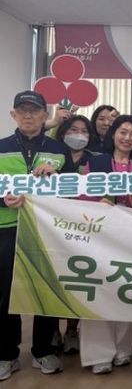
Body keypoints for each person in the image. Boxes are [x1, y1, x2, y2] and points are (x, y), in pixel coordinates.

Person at [0, 91, 74, 381]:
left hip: (47, 231)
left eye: (34, 110)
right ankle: (6, 354)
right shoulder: (1, 147)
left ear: (46, 116)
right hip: (7, 229)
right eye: (22, 110)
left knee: (45, 289)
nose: (28, 115)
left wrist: (56, 178)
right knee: (5, 294)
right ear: (13, 115)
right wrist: (3, 200)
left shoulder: (59, 150)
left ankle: (44, 350)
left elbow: (73, 192)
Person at [79, 115, 132, 374]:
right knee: (98, 293)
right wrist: (96, 201)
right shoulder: (96, 162)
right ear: (113, 134)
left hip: (130, 238)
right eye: (123, 132)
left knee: (127, 290)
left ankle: (123, 350)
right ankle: (98, 356)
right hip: (99, 236)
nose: (127, 138)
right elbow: (80, 194)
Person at [53, 114, 97, 354]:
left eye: (84, 131)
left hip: (84, 228)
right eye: (73, 130)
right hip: (53, 226)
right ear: (62, 133)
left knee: (78, 281)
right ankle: (51, 331)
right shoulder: (52, 155)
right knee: (54, 279)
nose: (79, 135)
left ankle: (72, 330)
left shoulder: (95, 160)